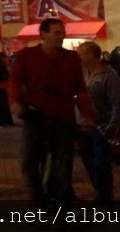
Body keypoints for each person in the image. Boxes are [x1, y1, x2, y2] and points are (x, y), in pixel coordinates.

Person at [8, 18, 94, 209]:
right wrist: (15, 103)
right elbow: (14, 81)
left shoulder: (71, 58)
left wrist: (88, 115)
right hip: (35, 115)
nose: (61, 36)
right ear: (43, 34)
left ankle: (62, 202)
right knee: (28, 161)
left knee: (63, 164)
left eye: (62, 33)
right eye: (56, 33)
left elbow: (80, 89)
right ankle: (38, 197)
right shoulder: (26, 56)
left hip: (63, 116)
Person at [76, 41, 120, 207]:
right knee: (89, 163)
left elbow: (118, 104)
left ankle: (105, 198)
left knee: (100, 164)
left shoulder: (109, 76)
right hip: (84, 126)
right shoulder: (83, 73)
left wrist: (112, 126)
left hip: (101, 127)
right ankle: (100, 193)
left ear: (90, 55)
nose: (78, 57)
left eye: (80, 53)